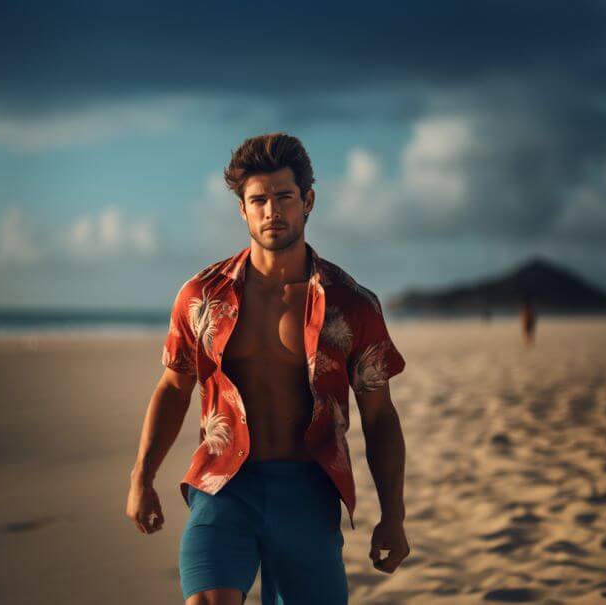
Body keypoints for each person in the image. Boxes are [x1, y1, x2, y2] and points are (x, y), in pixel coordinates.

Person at [125, 133, 410, 604]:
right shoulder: (202, 297)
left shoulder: (351, 305)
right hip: (223, 485)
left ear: (308, 201)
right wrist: (142, 478)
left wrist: (393, 515)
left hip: (307, 491)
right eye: (258, 200)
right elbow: (174, 389)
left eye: (284, 197)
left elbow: (379, 416)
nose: (271, 211)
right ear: (242, 209)